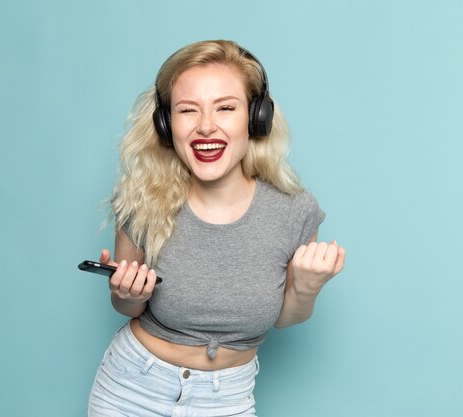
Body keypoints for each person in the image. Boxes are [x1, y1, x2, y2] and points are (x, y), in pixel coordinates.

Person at [88, 39, 346, 417]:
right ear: (166, 124)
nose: (205, 126)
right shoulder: (142, 200)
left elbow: (288, 317)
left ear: (256, 118)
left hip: (227, 399)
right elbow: (127, 308)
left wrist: (308, 287)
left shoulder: (294, 211)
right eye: (187, 110)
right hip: (131, 390)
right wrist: (126, 291)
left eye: (225, 108)